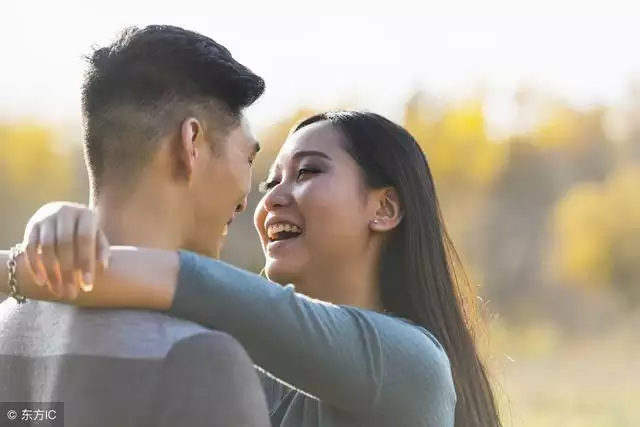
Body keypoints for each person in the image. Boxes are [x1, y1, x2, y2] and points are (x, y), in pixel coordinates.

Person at [3, 111, 504, 426]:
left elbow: (190, 283)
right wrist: (56, 223)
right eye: (269, 182)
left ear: (384, 209)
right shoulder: (241, 362)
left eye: (307, 172)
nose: (272, 200)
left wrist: (15, 269)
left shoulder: (409, 364)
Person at [0, 25, 271, 427]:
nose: (248, 198)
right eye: (248, 159)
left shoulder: (7, 324)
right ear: (191, 143)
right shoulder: (200, 358)